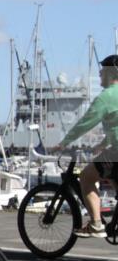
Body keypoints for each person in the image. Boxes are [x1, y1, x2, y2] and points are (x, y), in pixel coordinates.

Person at [52, 54, 118, 238]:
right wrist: (103, 143)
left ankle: (96, 224)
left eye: (103, 71)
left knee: (86, 177)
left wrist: (63, 143)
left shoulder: (106, 97)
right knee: (112, 176)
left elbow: (85, 123)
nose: (99, 74)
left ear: (112, 73)